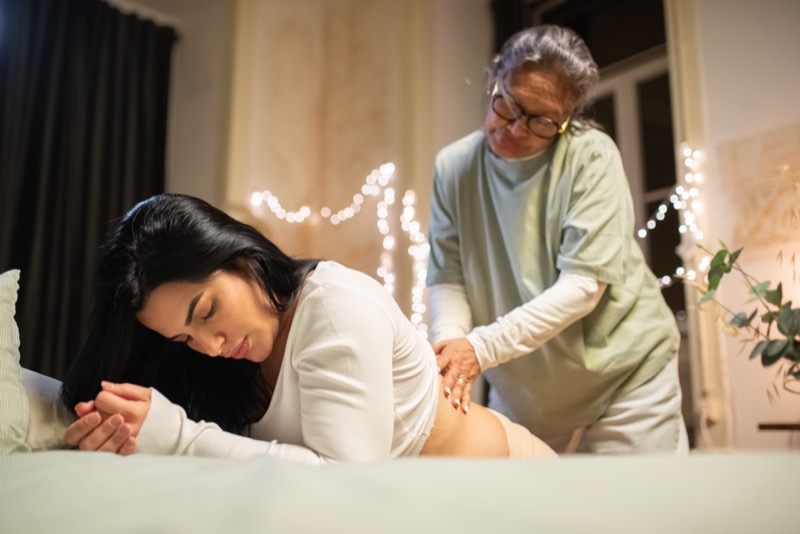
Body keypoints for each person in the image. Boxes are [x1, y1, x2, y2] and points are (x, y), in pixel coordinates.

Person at [60, 193, 557, 464]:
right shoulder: (228, 361)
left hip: (513, 488)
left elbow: (345, 486)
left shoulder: (334, 308)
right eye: (185, 339)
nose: (209, 348)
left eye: (207, 311)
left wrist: (175, 436)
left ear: (239, 257)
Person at [426, 24, 689, 454]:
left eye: (542, 120)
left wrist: (479, 347)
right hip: (525, 391)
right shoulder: (453, 168)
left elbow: (583, 287)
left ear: (569, 122)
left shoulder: (591, 156)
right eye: (506, 104)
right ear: (495, 82)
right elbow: (449, 278)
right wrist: (451, 351)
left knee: (637, 514)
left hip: (624, 378)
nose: (515, 128)